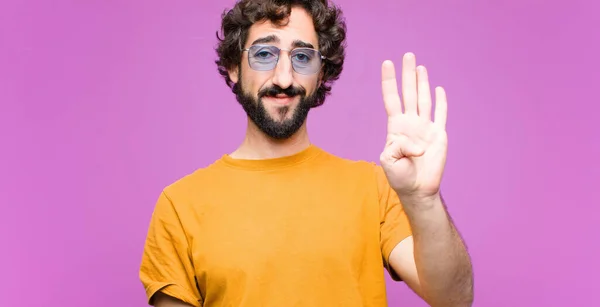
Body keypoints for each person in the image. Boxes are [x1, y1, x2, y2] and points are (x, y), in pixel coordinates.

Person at [138, 0, 474, 306]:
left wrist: (423, 200)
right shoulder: (179, 206)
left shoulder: (373, 187)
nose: (284, 78)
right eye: (264, 54)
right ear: (233, 67)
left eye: (302, 57)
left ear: (321, 73)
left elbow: (453, 298)